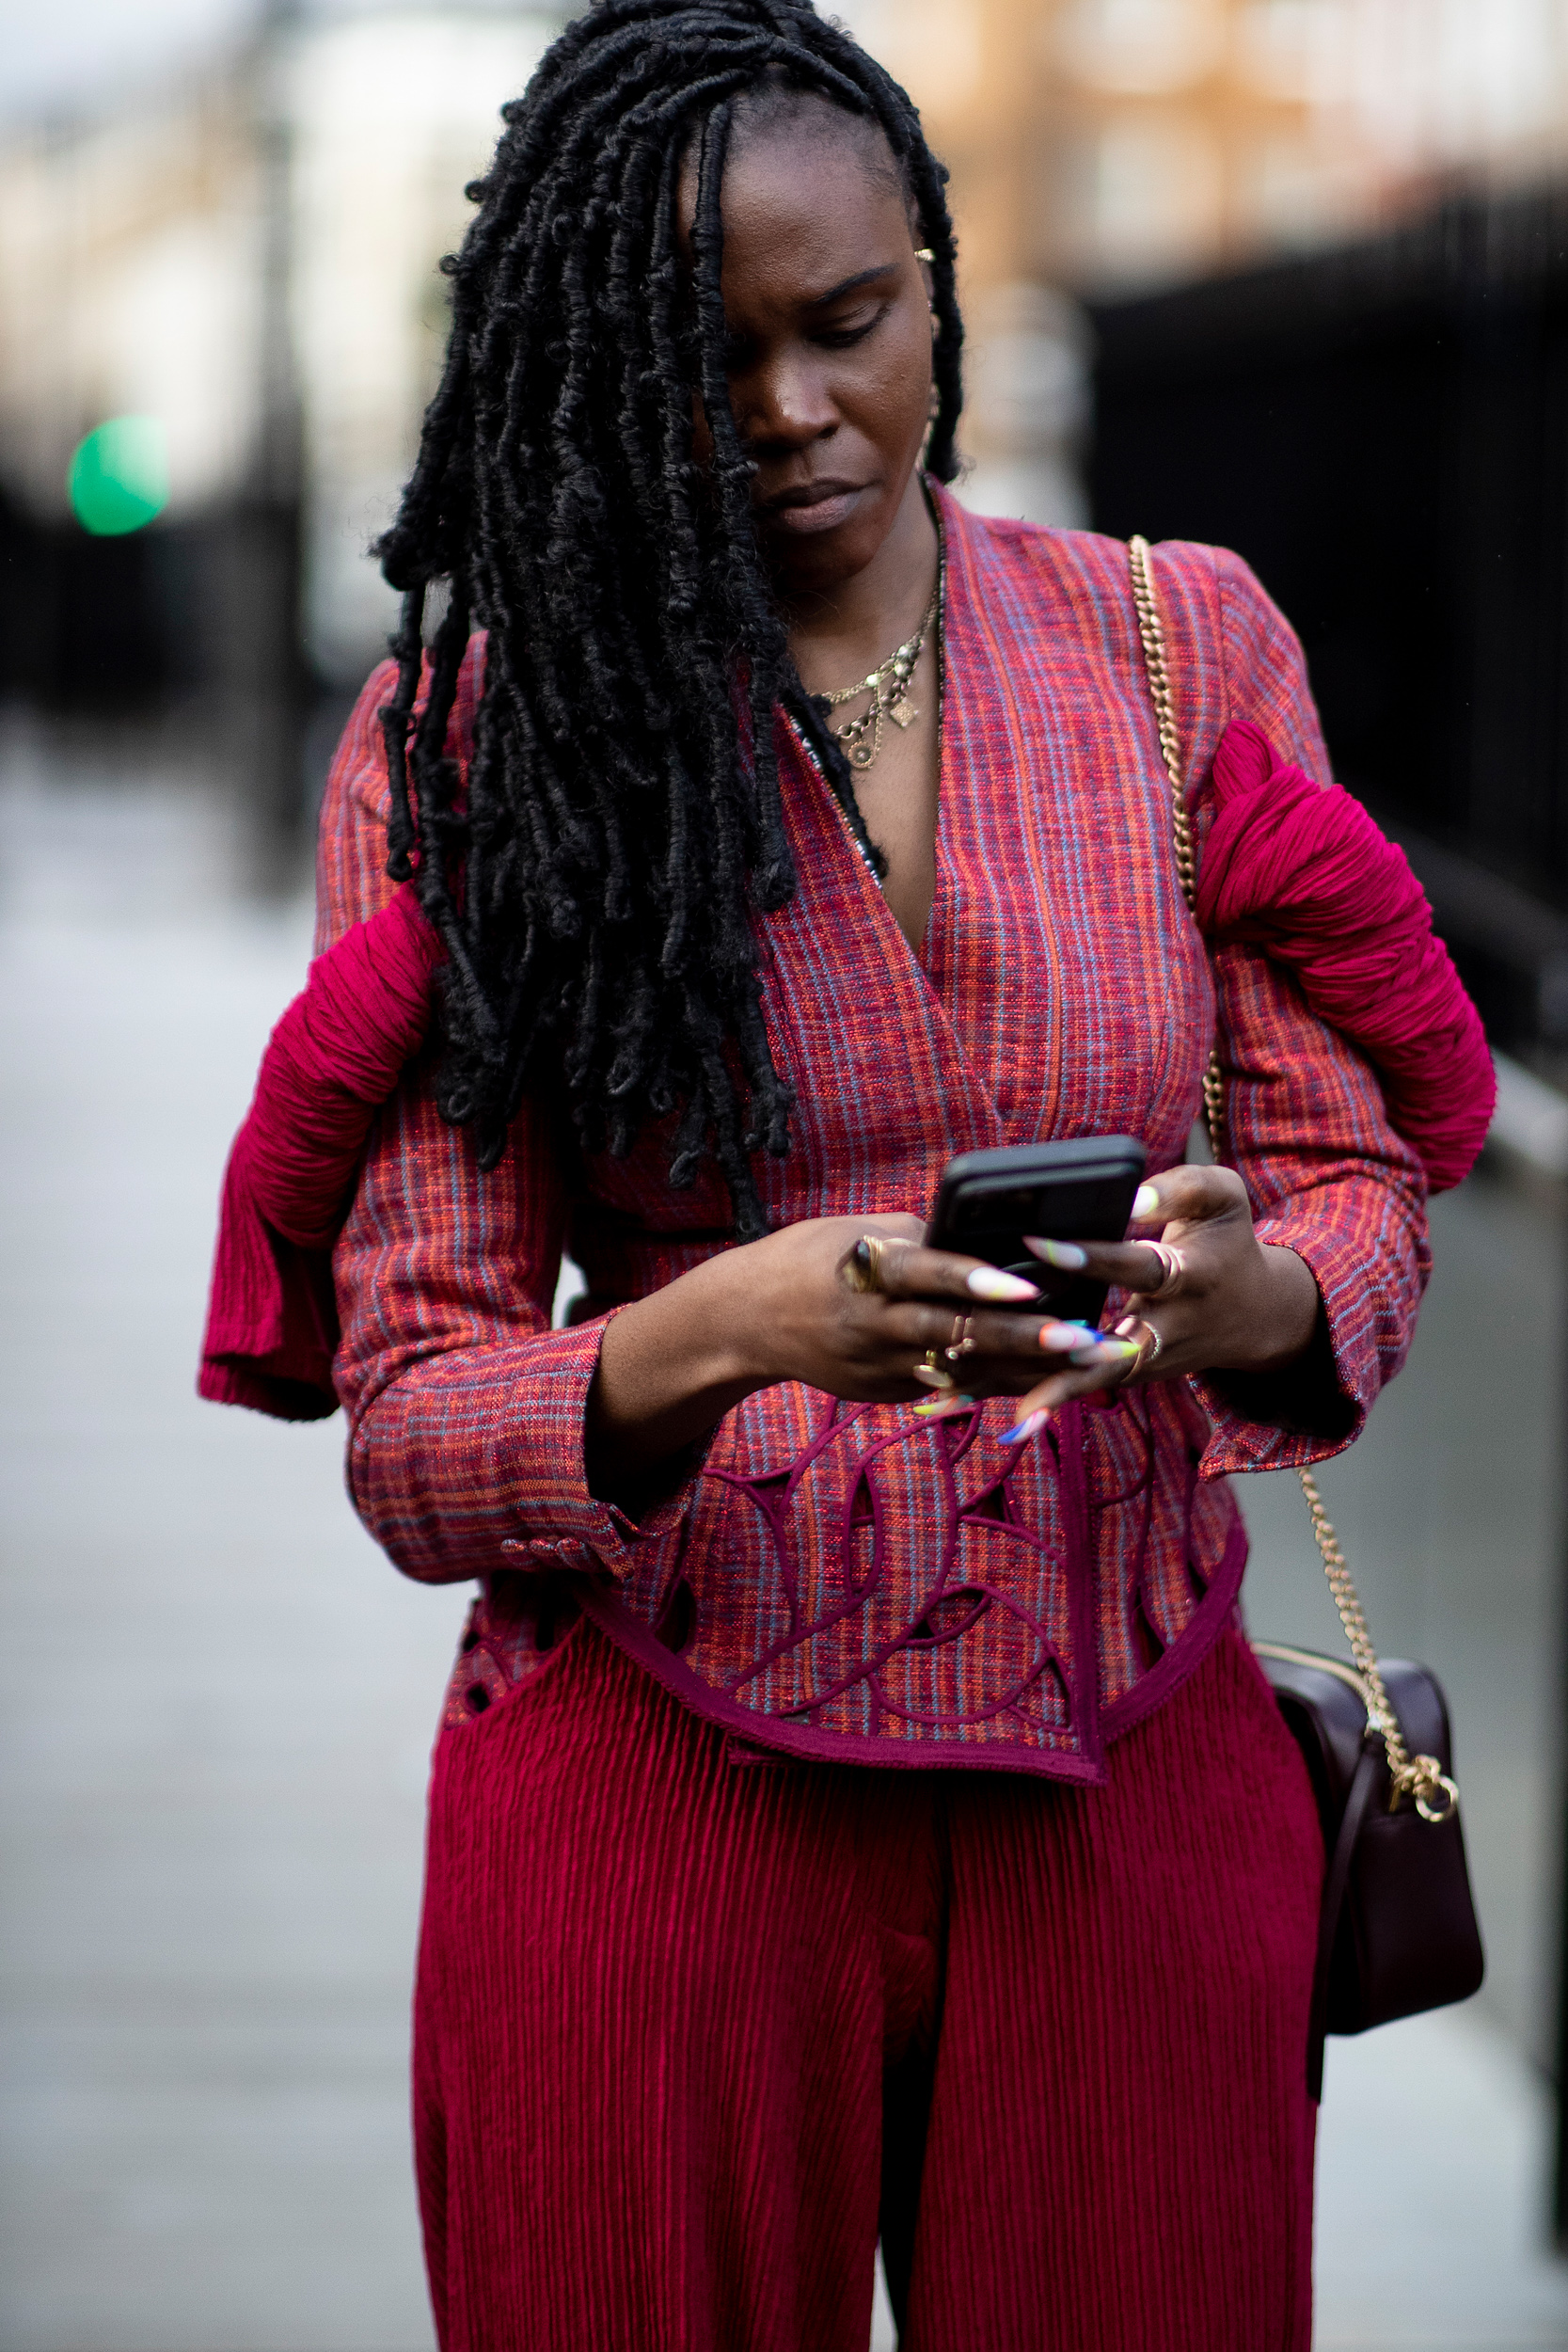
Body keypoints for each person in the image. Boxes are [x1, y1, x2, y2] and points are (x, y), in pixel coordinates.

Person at [201, 4, 1495, 2344]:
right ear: (594, 373)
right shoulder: (479, 748)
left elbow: (1357, 1178)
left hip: (1138, 1778)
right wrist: (725, 1328)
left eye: (850, 320)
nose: (794, 408)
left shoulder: (1178, 651)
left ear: (938, 290)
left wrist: (1253, 1289)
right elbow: (410, 1430)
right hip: (660, 1807)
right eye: (708, 357)